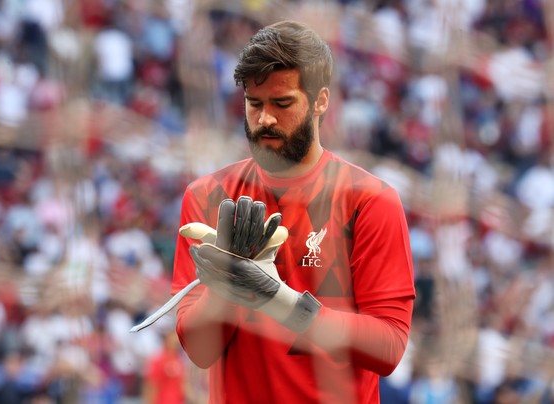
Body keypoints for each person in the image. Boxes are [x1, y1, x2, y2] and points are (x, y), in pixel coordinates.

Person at [171, 20, 415, 403]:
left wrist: (277, 300)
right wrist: (227, 290)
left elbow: (389, 347)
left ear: (321, 101)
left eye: (282, 103)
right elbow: (199, 351)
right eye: (254, 104)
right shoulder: (207, 196)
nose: (265, 118)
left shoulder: (369, 200)